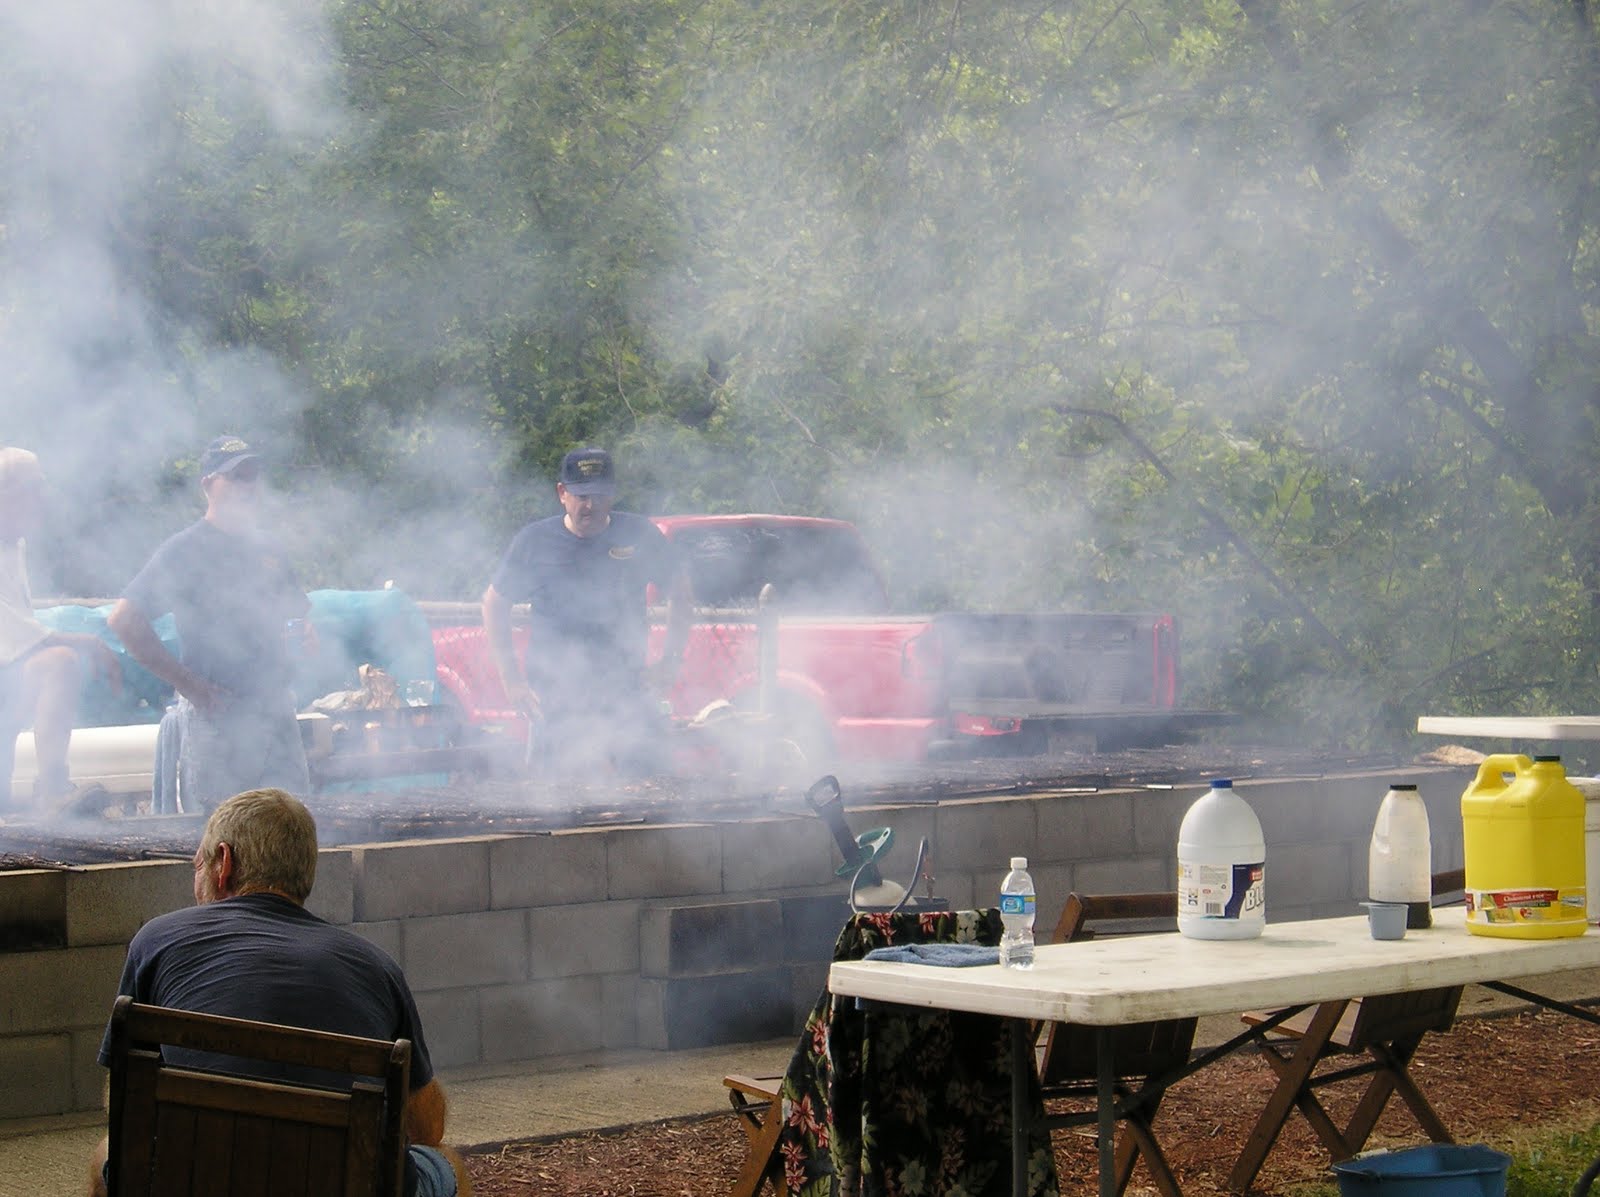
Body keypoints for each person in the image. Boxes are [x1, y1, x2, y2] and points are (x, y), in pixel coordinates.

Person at [88, 788, 470, 1197]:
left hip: (192, 1177)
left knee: (106, 1153)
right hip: (339, 1184)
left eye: (197, 864)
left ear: (224, 864)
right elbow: (426, 1128)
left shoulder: (156, 941)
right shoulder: (376, 967)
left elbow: (124, 1100)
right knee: (448, 1166)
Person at [108, 436, 312, 811]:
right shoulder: (185, 550)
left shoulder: (269, 549)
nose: (246, 486)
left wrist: (303, 638)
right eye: (234, 476)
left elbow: (298, 615)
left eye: (252, 475)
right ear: (207, 484)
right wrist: (192, 687)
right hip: (219, 719)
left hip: (276, 713)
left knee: (290, 830)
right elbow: (124, 620)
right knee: (221, 839)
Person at [481, 447, 693, 775]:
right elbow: (494, 605)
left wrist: (671, 661)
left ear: (612, 494)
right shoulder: (535, 541)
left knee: (649, 786)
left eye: (599, 495)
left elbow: (681, 590)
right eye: (581, 495)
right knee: (555, 798)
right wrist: (512, 680)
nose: (590, 506)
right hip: (555, 697)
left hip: (627, 690)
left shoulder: (638, 534)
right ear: (562, 493)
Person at [0, 447, 122, 815]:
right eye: (35, 486)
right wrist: (86, 640)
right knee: (60, 659)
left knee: (59, 663)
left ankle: (52, 788)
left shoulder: (14, 543)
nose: (43, 496)